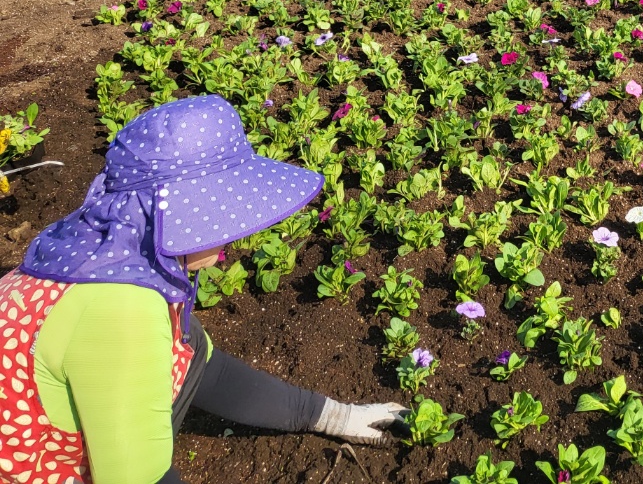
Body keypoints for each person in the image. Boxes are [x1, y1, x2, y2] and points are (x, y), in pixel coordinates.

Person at [1, 96, 404, 484]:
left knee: (187, 342)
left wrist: (334, 416)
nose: (233, 229)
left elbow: (204, 367)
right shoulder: (122, 312)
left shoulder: (106, 250)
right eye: (212, 214)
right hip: (43, 470)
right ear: (156, 212)